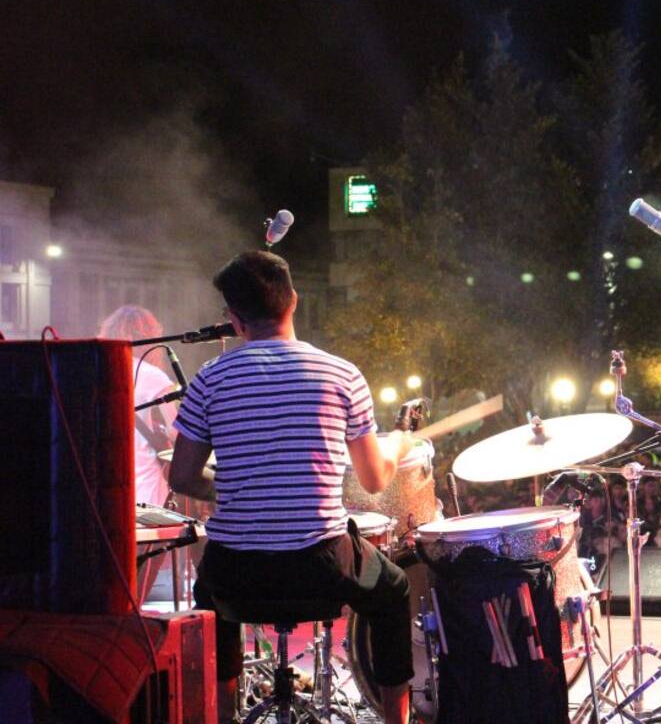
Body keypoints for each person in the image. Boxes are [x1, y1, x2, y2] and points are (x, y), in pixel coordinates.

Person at [169, 251, 422, 724]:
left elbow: (182, 477)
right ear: (294, 302)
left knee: (211, 598)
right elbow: (375, 479)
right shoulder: (342, 374)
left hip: (236, 572)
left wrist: (234, 491)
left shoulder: (210, 379)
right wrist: (401, 438)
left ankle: (223, 713)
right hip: (321, 566)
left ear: (234, 318)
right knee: (394, 588)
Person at [99, 305, 177, 508]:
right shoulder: (154, 377)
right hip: (147, 488)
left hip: (107, 486)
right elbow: (178, 432)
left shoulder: (98, 371)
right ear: (150, 337)